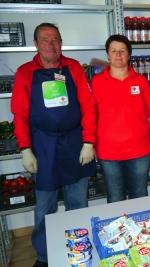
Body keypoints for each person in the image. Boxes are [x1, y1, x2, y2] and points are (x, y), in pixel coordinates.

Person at [10, 23, 96, 267]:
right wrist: (26, 149)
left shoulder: (74, 69)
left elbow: (88, 106)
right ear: (36, 44)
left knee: (78, 202)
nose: (51, 44)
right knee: (44, 207)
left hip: (74, 143)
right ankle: (44, 256)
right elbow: (19, 113)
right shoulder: (25, 72)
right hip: (43, 146)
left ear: (61, 43)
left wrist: (88, 141)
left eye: (55, 40)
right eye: (45, 40)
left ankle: (79, 246)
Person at [90, 35, 150, 203]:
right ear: (107, 55)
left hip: (140, 150)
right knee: (115, 197)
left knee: (140, 195)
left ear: (129, 55)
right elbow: (90, 116)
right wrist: (90, 145)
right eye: (114, 51)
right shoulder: (96, 82)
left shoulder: (141, 82)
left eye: (122, 51)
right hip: (108, 152)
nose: (118, 55)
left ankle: (141, 230)